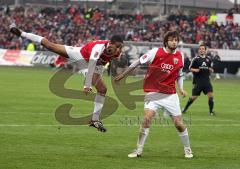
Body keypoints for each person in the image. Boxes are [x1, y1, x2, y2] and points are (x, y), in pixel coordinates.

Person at [9, 23, 123, 132]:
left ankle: (94, 120)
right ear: (111, 43)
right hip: (80, 56)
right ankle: (21, 33)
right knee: (50, 45)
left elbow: (101, 63)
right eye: (117, 46)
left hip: (96, 65)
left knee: (103, 90)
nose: (118, 49)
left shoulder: (117, 52)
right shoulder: (99, 48)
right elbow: (92, 64)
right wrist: (87, 85)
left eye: (120, 47)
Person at [114, 31, 193, 158]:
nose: (175, 42)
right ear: (166, 41)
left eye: (176, 40)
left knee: (179, 124)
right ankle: (138, 150)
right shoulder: (155, 52)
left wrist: (181, 88)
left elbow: (179, 74)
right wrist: (123, 75)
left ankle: (188, 149)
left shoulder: (180, 56)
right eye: (172, 40)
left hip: (170, 95)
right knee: (146, 120)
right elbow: (138, 62)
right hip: (153, 93)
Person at [182, 44, 215, 116]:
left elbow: (210, 68)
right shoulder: (195, 59)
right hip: (198, 81)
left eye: (203, 49)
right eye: (200, 49)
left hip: (207, 81)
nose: (202, 50)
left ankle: (211, 112)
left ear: (205, 50)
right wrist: (195, 69)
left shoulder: (209, 59)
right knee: (194, 97)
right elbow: (189, 68)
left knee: (211, 96)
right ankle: (185, 109)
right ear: (198, 50)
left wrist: (211, 70)